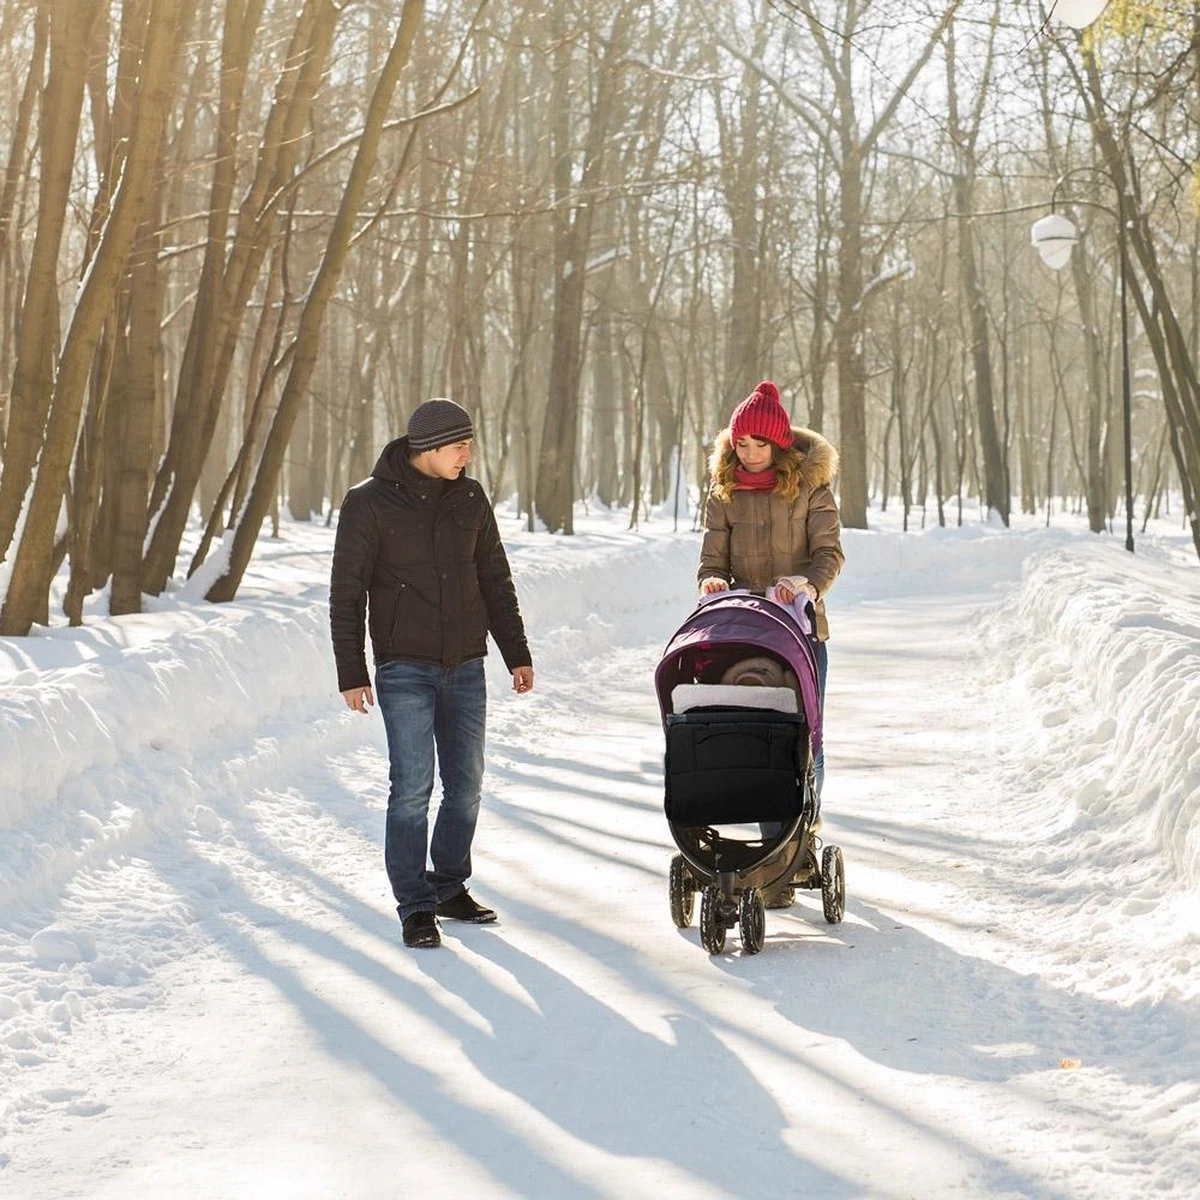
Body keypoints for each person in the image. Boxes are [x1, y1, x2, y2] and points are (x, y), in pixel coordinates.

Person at [330, 398, 534, 949]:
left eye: (469, 444)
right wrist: (352, 670)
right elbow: (346, 595)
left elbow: (495, 576)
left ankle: (447, 886)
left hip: (466, 663)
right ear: (428, 447)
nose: (468, 455)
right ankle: (415, 905)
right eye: (458, 446)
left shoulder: (469, 497)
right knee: (412, 787)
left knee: (466, 785)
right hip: (403, 667)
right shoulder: (368, 503)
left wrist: (516, 651)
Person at [697, 379, 844, 905]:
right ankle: (768, 853)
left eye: (760, 445)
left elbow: (829, 554)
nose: (750, 454)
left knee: (803, 736)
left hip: (800, 629)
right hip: (743, 630)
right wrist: (712, 582)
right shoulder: (725, 492)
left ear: (779, 446)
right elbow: (712, 560)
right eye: (742, 444)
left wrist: (809, 583)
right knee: (758, 735)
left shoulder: (809, 489)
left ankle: (797, 844)